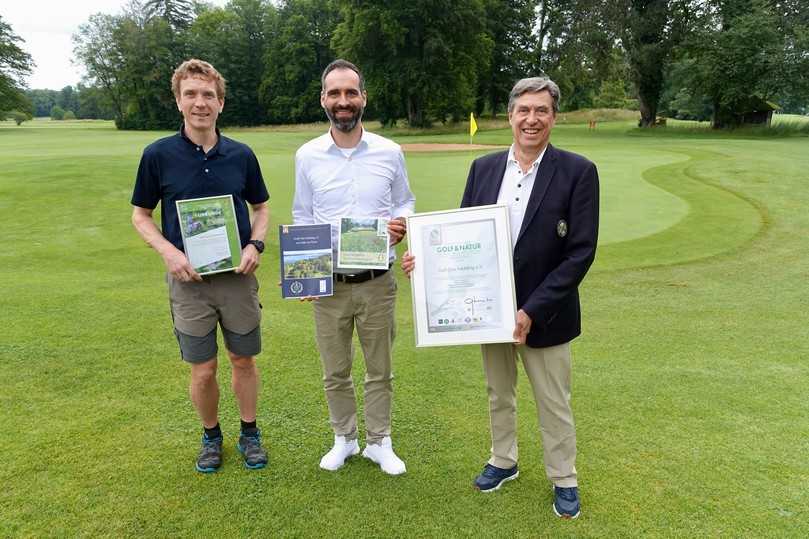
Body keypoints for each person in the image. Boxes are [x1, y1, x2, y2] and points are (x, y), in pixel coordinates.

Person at [402, 77, 599, 518]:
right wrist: (426, 264)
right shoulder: (484, 168)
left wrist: (532, 310)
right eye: (523, 110)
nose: (532, 119)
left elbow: (580, 253)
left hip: (545, 313)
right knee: (498, 392)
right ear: (510, 116)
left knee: (553, 401)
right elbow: (460, 238)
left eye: (541, 110)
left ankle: (563, 477)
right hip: (488, 309)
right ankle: (503, 459)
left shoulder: (578, 171)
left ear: (554, 117)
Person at [131, 59, 270, 473]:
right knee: (203, 369)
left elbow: (261, 208)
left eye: (208, 95)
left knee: (243, 360)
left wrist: (255, 244)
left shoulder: (241, 155)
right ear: (178, 101)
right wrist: (169, 252)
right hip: (189, 282)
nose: (200, 103)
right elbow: (141, 216)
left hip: (237, 279)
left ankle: (249, 433)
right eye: (190, 94)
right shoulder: (157, 155)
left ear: (220, 103)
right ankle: (211, 436)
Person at [293, 59, 415, 475]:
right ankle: (344, 439)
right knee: (335, 370)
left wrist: (401, 223)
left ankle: (380, 442)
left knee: (380, 370)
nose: (342, 101)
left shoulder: (389, 151)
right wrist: (306, 272)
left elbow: (405, 201)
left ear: (363, 97)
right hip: (328, 284)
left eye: (350, 92)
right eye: (335, 93)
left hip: (377, 282)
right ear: (323, 99)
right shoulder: (307, 155)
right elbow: (303, 215)